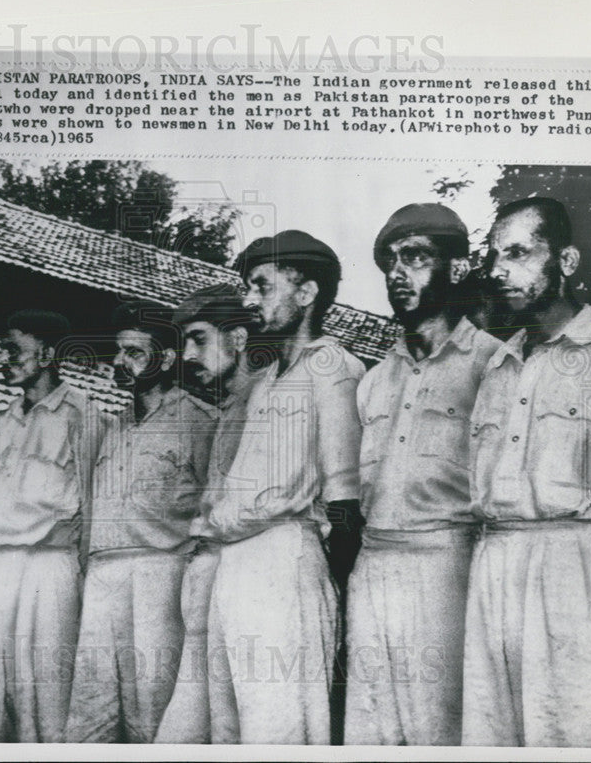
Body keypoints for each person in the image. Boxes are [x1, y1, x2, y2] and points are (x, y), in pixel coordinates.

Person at [463, 197, 591, 747]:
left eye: (519, 253)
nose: (499, 270)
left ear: (567, 262)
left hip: (579, 573)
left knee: (588, 732)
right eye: (494, 256)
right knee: (493, 740)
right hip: (494, 568)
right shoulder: (498, 367)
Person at [343, 204, 501, 745]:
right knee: (370, 729)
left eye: (414, 257)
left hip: (446, 564)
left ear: (456, 268)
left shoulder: (494, 365)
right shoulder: (372, 381)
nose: (396, 273)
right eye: (390, 260)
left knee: (441, 729)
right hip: (372, 565)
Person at [204, 230, 364, 744]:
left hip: (286, 562)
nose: (249, 301)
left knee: (279, 728)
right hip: (235, 563)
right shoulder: (267, 376)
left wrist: (330, 596)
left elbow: (345, 500)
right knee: (229, 727)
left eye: (261, 286)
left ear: (307, 292)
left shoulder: (334, 367)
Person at [64, 300, 218, 743]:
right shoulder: (113, 427)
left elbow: (213, 512)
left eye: (133, 353)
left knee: (151, 710)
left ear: (167, 359)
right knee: (88, 713)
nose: (119, 362)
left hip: (161, 577)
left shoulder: (199, 420)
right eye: (118, 352)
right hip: (102, 575)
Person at [0, 310, 100, 742]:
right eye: (4, 350)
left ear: (48, 354)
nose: (6, 359)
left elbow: (93, 503)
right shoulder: (7, 418)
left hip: (47, 566)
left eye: (15, 350)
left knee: (44, 699)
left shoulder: (81, 415)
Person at [154, 284, 257, 743]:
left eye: (199, 340)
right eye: (184, 345)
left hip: (247, 577)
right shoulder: (229, 408)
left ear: (237, 339)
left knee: (239, 725)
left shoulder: (266, 403)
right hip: (204, 579)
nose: (188, 356)